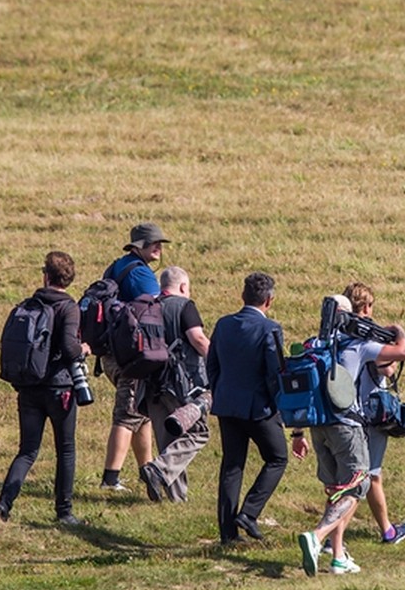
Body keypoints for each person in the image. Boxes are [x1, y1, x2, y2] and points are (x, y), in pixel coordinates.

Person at [297, 293, 405, 576]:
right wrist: (397, 330)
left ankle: (338, 556)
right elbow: (404, 352)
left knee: (338, 488)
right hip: (346, 425)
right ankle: (318, 536)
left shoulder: (313, 344)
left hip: (317, 424)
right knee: (356, 486)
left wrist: (297, 433)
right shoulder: (357, 345)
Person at [207, 272, 307, 546]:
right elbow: (274, 372)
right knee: (277, 458)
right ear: (269, 300)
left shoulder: (224, 324)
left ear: (243, 296)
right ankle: (249, 513)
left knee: (232, 466)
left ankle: (228, 534)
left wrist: (219, 390)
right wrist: (281, 407)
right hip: (259, 407)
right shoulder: (269, 328)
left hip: (226, 404)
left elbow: (211, 363)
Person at [0, 252, 88, 527]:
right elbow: (70, 348)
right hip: (60, 388)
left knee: (27, 451)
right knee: (66, 450)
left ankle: (3, 504)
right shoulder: (68, 307)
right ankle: (64, 511)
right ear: (68, 279)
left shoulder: (29, 304)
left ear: (45, 275)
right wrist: (83, 349)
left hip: (29, 387)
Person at [98, 222, 167, 493]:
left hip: (112, 353)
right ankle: (110, 479)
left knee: (142, 413)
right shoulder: (143, 276)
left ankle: (146, 471)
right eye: (154, 243)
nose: (159, 247)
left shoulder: (118, 265)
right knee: (127, 414)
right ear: (141, 246)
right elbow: (156, 313)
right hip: (134, 358)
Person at [344, 282, 405, 545]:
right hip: (371, 413)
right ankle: (385, 531)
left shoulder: (340, 332)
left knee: (354, 477)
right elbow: (388, 369)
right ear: (367, 306)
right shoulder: (368, 336)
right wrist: (397, 332)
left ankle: (380, 529)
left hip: (346, 411)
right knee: (370, 474)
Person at [140, 266, 210, 503]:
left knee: (169, 440)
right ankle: (158, 469)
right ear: (182, 287)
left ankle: (176, 499)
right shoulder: (184, 305)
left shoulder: (148, 306)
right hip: (181, 383)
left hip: (150, 383)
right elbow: (197, 339)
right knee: (198, 432)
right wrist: (219, 361)